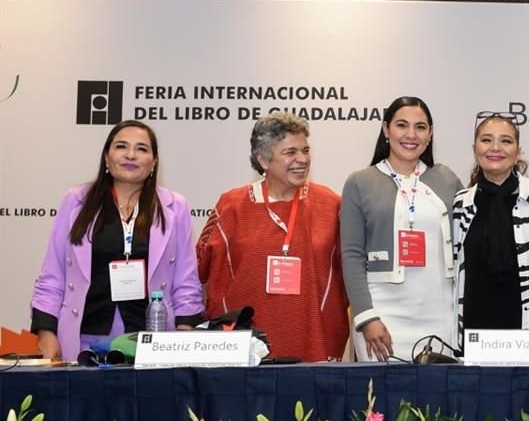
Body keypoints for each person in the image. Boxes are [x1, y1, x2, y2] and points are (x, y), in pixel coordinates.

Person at [31, 120, 204, 361]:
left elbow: (186, 281)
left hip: (152, 339)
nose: (131, 155)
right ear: (106, 157)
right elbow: (53, 274)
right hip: (84, 336)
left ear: (153, 163)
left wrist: (184, 337)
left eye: (142, 149)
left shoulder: (174, 207)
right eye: (121, 146)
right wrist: (46, 333)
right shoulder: (76, 202)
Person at [196, 112, 349, 362]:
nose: (302, 159)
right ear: (263, 160)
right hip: (245, 348)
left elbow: (351, 271)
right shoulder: (232, 205)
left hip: (315, 344)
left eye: (305, 150)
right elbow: (201, 269)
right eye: (290, 152)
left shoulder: (330, 204)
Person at [340, 96, 463, 362]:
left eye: (420, 127)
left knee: (438, 399)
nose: (411, 135)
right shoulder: (359, 182)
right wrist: (366, 316)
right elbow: (351, 255)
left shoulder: (447, 179)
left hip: (441, 311)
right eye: (401, 125)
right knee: (382, 399)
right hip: (382, 314)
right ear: (386, 130)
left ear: (430, 134)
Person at [452, 112, 529, 344]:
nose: (495, 148)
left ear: (518, 150)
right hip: (475, 333)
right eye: (486, 140)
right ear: (475, 148)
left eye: (506, 140)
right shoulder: (461, 203)